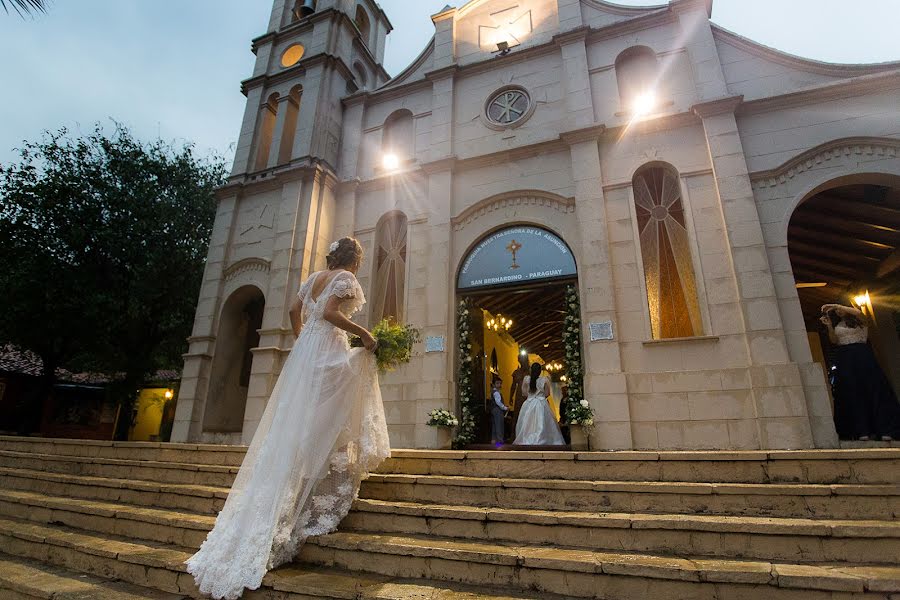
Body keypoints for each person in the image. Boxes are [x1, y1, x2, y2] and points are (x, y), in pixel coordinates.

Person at [186, 237, 390, 600]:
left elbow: (295, 310)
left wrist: (302, 338)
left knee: (300, 415)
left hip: (306, 352)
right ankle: (327, 454)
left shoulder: (313, 277)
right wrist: (364, 333)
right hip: (325, 347)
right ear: (354, 259)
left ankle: (315, 455)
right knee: (354, 372)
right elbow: (329, 313)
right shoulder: (346, 278)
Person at [820, 303, 900, 441]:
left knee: (874, 389)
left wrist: (835, 305)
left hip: (861, 354)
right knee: (852, 392)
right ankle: (861, 430)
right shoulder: (838, 325)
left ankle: (885, 428)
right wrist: (829, 325)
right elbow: (834, 340)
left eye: (841, 309)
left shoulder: (860, 321)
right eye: (837, 310)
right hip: (845, 356)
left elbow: (857, 312)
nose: (838, 311)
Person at [513, 363, 566, 446]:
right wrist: (539, 396)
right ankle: (542, 439)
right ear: (540, 371)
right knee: (542, 422)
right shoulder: (545, 380)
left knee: (527, 423)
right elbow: (547, 393)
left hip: (529, 403)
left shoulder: (526, 379)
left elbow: (524, 393)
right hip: (541, 403)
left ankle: (527, 438)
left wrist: (531, 396)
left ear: (531, 370)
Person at [508, 353, 529, 432]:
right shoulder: (516, 372)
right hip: (519, 396)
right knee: (518, 414)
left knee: (527, 414)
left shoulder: (530, 372)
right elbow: (513, 385)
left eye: (523, 359)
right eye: (520, 359)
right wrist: (511, 396)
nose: (521, 361)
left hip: (528, 395)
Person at [489, 375, 507, 445]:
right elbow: (498, 402)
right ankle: (499, 441)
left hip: (493, 409)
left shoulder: (494, 392)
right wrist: (504, 407)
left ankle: (494, 440)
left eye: (500, 383)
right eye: (497, 383)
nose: (499, 385)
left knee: (495, 425)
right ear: (493, 384)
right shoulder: (496, 393)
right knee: (499, 425)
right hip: (497, 410)